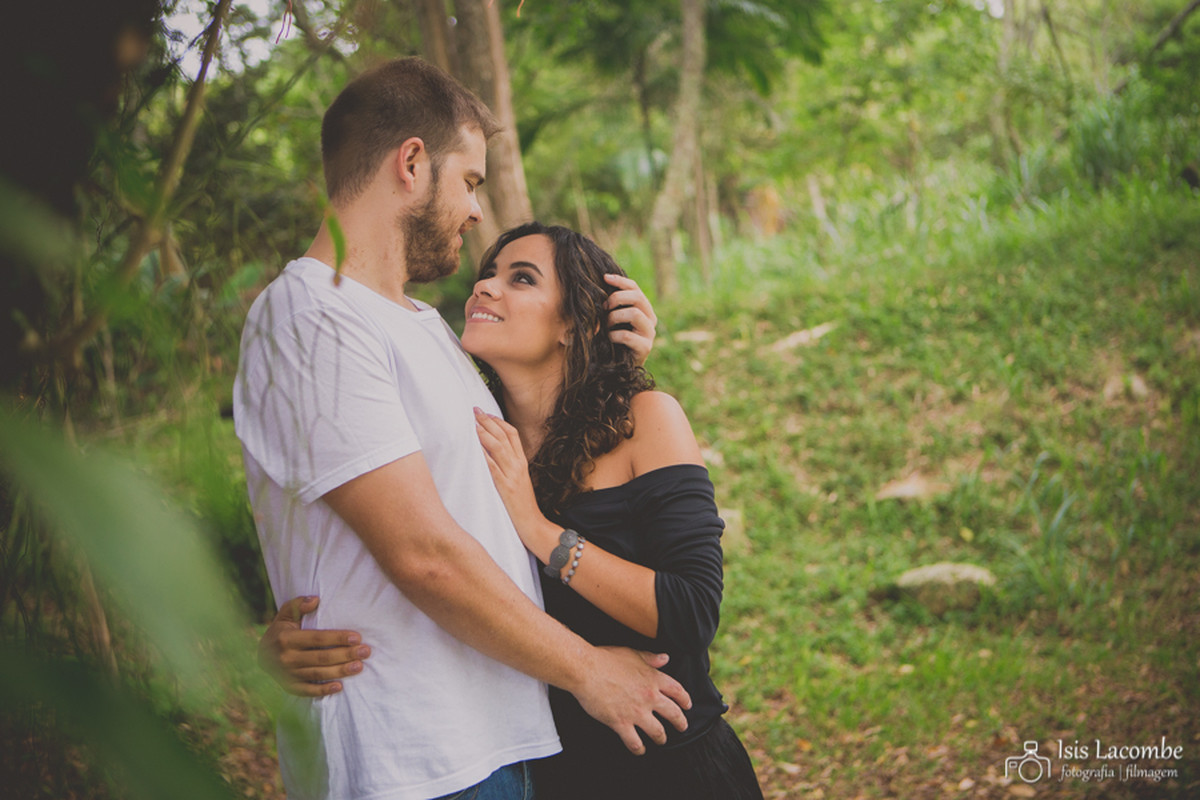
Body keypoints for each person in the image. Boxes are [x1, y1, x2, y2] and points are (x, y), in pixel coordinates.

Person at [233, 57, 688, 800]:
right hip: (413, 763)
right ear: (412, 163)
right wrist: (590, 670)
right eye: (471, 181)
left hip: (494, 739)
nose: (477, 212)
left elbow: (502, 482)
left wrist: (609, 360)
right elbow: (423, 554)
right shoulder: (309, 317)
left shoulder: (418, 325)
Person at [266, 222, 765, 800]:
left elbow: (693, 611)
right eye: (487, 275)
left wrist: (539, 530)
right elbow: (405, 553)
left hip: (673, 765)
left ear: (572, 322)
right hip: (543, 775)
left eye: (521, 278)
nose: (486, 288)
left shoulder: (644, 420)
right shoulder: (463, 436)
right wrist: (286, 638)